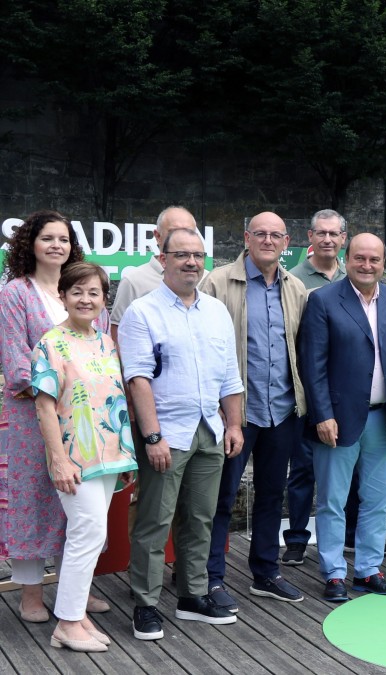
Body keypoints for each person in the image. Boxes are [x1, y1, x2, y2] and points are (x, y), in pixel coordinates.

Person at [120, 227, 245, 640]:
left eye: (198, 254)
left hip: (209, 430)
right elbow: (137, 378)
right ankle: (146, 604)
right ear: (163, 257)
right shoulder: (143, 312)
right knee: (154, 522)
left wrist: (233, 424)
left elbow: (230, 375)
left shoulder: (216, 311)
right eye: (182, 254)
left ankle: (192, 596)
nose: (191, 262)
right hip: (167, 434)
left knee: (199, 519)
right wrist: (153, 438)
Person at [0, 210, 105, 625]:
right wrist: (54, 390)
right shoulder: (15, 293)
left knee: (76, 503)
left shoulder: (75, 290)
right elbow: (14, 360)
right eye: (47, 238)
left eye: (63, 239)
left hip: (79, 417)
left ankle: (73, 590)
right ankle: (29, 593)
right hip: (31, 415)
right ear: (31, 244)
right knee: (33, 500)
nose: (56, 246)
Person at [199, 212, 308, 610]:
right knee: (221, 498)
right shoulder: (216, 282)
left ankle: (265, 571)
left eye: (275, 234)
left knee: (271, 494)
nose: (267, 240)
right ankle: (210, 578)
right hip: (233, 415)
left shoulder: (295, 287)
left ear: (287, 241)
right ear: (246, 238)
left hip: (281, 410)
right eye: (259, 233)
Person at [300, 233, 386, 602]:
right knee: (332, 501)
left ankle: (367, 571)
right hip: (337, 421)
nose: (367, 265)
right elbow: (312, 365)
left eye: (375, 259)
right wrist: (322, 414)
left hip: (385, 419)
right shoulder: (323, 300)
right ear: (347, 259)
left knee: (377, 501)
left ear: (385, 263)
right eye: (360, 258)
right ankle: (334, 573)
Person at [31, 262, 137, 652]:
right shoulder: (50, 343)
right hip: (74, 459)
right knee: (86, 533)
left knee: (93, 535)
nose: (86, 299)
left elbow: (114, 399)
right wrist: (57, 460)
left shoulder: (106, 343)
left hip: (109, 457)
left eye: (94, 292)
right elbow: (44, 407)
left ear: (103, 300)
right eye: (77, 291)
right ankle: (68, 624)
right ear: (62, 297)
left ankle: (75, 613)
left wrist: (126, 456)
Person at [282, 209, 348, 566]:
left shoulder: (352, 276)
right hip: (307, 389)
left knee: (349, 466)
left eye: (333, 234)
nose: (327, 239)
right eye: (320, 233)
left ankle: (349, 535)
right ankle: (296, 538)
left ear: (342, 240)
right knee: (303, 467)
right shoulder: (294, 280)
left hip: (347, 389)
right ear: (310, 237)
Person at [110, 206, 205, 344]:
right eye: (174, 231)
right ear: (157, 236)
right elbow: (119, 337)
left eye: (189, 232)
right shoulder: (134, 281)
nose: (182, 238)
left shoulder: (207, 279)